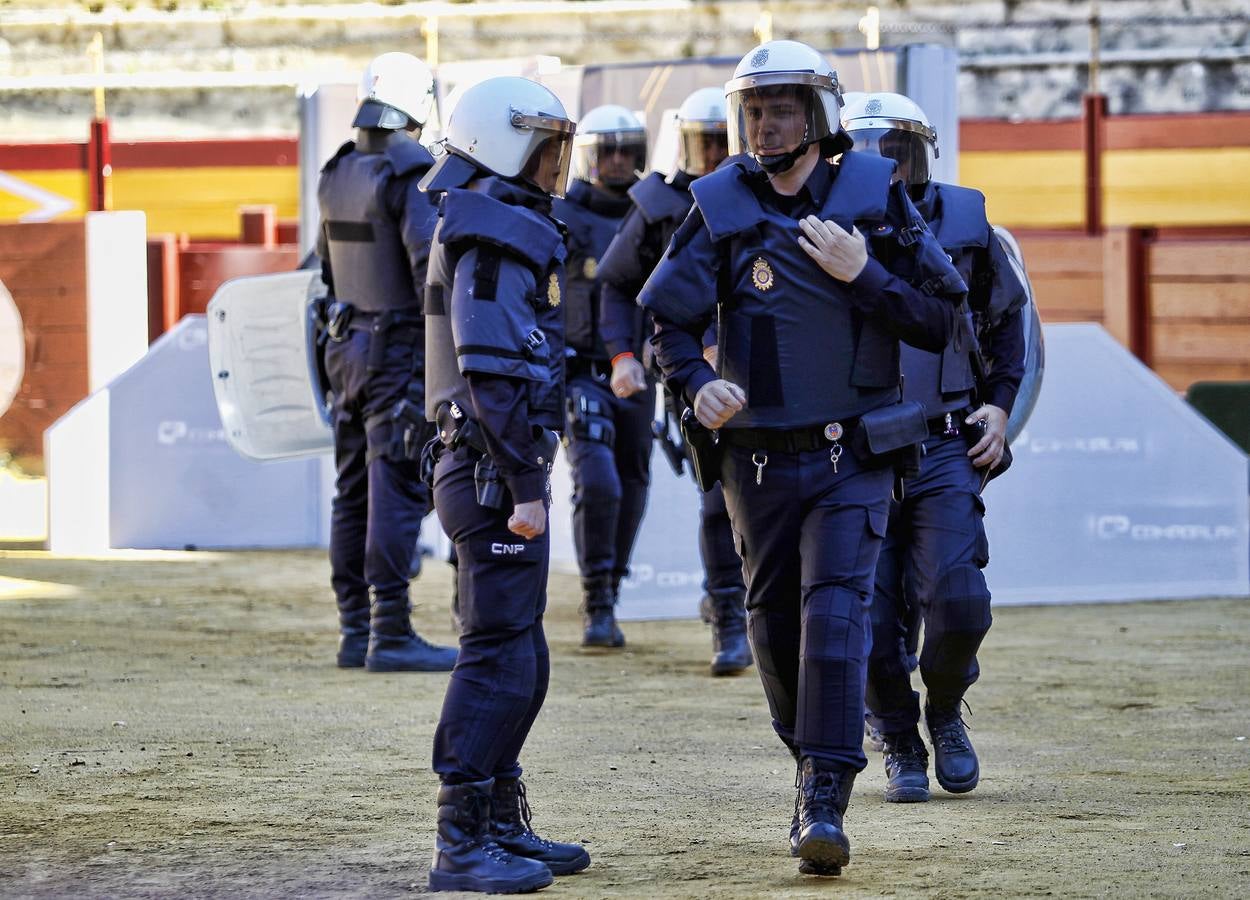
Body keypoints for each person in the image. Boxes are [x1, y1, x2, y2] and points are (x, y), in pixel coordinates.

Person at [638, 41, 966, 877]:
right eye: (753, 110)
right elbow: (666, 323)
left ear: (818, 118)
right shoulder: (715, 203)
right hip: (754, 464)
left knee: (836, 617)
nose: (764, 125)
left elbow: (937, 319)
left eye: (781, 109)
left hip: (851, 457)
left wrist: (865, 277)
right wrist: (695, 382)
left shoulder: (876, 194)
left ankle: (824, 797)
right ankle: (809, 757)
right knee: (774, 630)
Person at [419, 76, 591, 893]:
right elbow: (489, 374)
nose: (563, 159)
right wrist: (526, 484)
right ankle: (460, 843)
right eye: (550, 142)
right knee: (497, 656)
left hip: (498, 468)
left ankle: (496, 823)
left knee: (520, 652)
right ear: (506, 142)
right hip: (491, 474)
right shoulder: (492, 238)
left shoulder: (502, 222)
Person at [842, 92, 1028, 802]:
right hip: (852, 453)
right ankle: (895, 737)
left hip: (946, 440)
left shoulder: (969, 224)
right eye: (868, 153)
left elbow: (1010, 326)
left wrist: (1000, 407)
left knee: (959, 600)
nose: (886, 169)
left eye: (900, 152)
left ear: (925, 155)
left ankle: (945, 709)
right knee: (866, 614)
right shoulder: (819, 225)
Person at [596, 86, 751, 676]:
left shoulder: (771, 193)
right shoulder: (660, 204)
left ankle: (753, 611)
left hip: (781, 374)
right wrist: (621, 355)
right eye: (702, 141)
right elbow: (614, 282)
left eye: (721, 140)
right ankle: (730, 622)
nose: (712, 153)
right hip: (695, 376)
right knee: (719, 499)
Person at [315, 52, 457, 673]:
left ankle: (355, 629)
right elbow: (435, 272)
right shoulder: (411, 172)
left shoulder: (337, 168)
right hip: (395, 348)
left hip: (343, 345)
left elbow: (323, 266)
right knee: (397, 485)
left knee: (352, 491)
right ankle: (391, 630)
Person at [552, 105, 653, 648]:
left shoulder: (653, 212)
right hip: (581, 373)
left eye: (626, 149)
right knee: (599, 482)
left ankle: (611, 588)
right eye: (605, 149)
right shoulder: (562, 214)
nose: (616, 160)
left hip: (638, 373)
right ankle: (597, 599)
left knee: (633, 484)